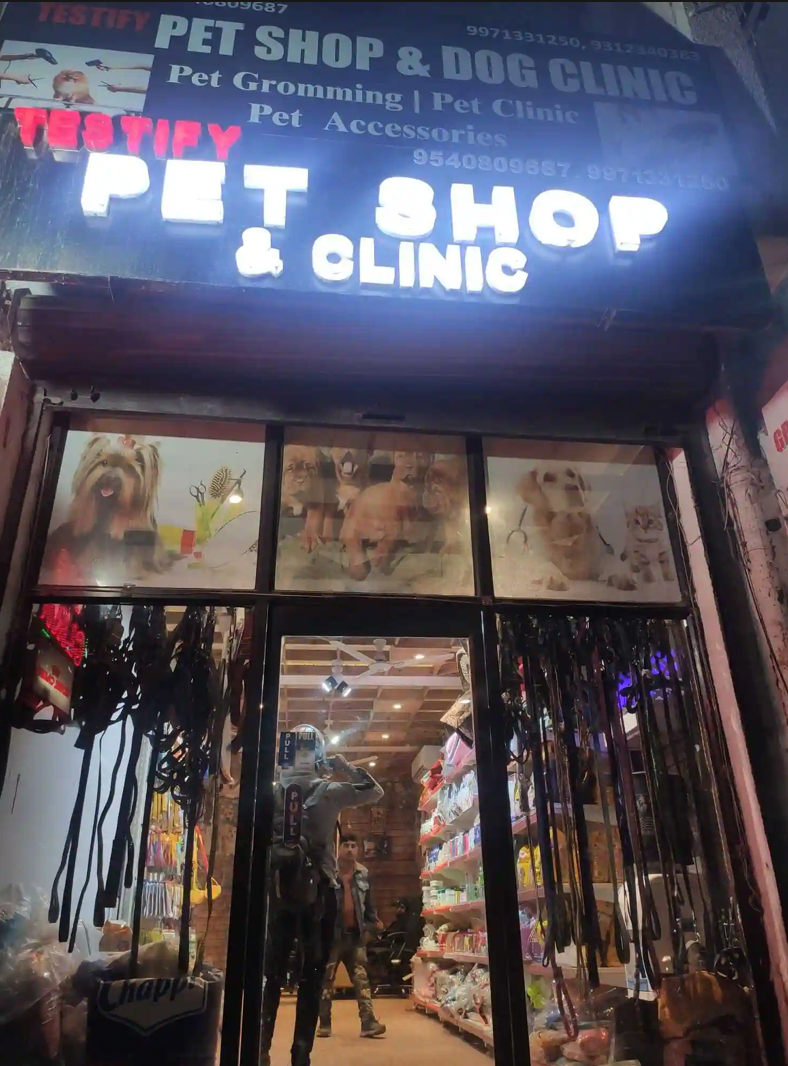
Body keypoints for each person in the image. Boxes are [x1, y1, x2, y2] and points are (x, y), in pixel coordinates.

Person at [260, 726, 384, 1066]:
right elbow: (374, 791)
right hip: (320, 896)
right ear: (318, 754)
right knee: (312, 977)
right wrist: (343, 766)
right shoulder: (329, 791)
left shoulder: (271, 792)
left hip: (279, 893)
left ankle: (261, 1049)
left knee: (272, 976)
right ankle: (300, 1055)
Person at [317, 834, 386, 1040]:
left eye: (353, 845)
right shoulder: (329, 872)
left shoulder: (363, 874)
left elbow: (369, 905)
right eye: (346, 845)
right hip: (332, 937)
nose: (350, 849)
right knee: (326, 981)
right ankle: (324, 1023)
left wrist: (372, 926)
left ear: (358, 849)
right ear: (338, 848)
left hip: (355, 936)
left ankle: (368, 1022)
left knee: (361, 980)